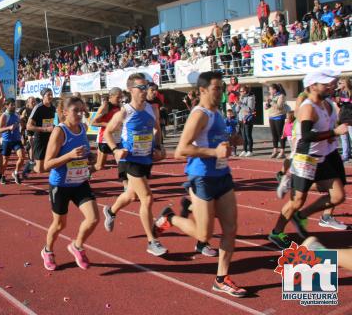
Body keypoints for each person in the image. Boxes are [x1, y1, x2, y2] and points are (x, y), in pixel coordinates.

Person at [155, 71, 247, 297]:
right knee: (204, 235)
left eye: (222, 88)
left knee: (231, 228)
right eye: (217, 88)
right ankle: (171, 218)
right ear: (203, 90)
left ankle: (221, 278)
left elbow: (218, 142)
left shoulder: (218, 113)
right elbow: (181, 150)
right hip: (202, 177)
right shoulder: (199, 115)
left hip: (222, 175)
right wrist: (214, 151)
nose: (222, 92)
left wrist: (232, 141)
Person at [268, 71, 348, 249]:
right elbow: (306, 136)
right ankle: (276, 231)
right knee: (297, 200)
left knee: (338, 195)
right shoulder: (308, 107)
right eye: (325, 83)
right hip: (307, 159)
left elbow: (328, 127)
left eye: (331, 83)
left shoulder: (327, 103)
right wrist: (333, 133)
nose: (331, 86)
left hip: (325, 156)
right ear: (313, 86)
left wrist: (330, 135)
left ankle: (301, 215)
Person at [102, 73, 167, 256]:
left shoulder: (152, 108)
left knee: (131, 196)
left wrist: (159, 147)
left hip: (146, 158)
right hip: (129, 159)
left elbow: (156, 129)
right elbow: (108, 133)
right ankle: (152, 241)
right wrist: (115, 150)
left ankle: (111, 211)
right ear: (131, 90)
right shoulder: (125, 111)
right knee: (147, 198)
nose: (145, 91)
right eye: (142, 88)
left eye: (147, 87)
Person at [41, 96, 98, 271]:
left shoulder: (82, 127)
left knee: (93, 218)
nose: (81, 114)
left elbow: (84, 152)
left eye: (82, 110)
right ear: (65, 113)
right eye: (76, 110)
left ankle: (77, 246)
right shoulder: (60, 132)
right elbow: (47, 164)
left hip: (79, 181)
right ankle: (47, 250)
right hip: (60, 184)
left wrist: (90, 156)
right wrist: (70, 156)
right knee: (59, 225)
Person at [90, 88, 123, 172]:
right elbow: (93, 122)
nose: (120, 99)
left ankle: (127, 181)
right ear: (111, 96)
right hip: (105, 139)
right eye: (118, 97)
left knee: (123, 162)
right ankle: (86, 173)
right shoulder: (105, 106)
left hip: (117, 138)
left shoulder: (119, 106)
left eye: (121, 97)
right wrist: (108, 125)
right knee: (99, 166)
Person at [26, 88, 56, 175]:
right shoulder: (38, 108)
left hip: (50, 138)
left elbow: (50, 122)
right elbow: (29, 126)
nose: (50, 96)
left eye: (51, 94)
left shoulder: (53, 108)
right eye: (48, 95)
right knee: (39, 169)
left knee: (49, 165)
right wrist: (46, 129)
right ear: (43, 96)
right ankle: (29, 166)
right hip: (39, 139)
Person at [0, 98, 26, 185]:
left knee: (22, 157)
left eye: (14, 104)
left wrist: (21, 133)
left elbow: (20, 124)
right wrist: (9, 128)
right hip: (7, 140)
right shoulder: (4, 116)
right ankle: (2, 175)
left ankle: (16, 173)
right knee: (5, 160)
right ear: (7, 105)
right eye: (12, 105)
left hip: (16, 140)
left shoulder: (16, 114)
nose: (14, 106)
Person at [265, 84, 287, 158]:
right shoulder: (271, 97)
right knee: (274, 135)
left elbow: (279, 107)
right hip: (271, 117)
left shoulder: (281, 96)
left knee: (280, 134)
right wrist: (267, 104)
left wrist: (271, 102)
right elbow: (266, 107)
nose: (269, 91)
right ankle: (275, 150)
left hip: (279, 117)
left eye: (270, 89)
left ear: (275, 90)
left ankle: (282, 151)